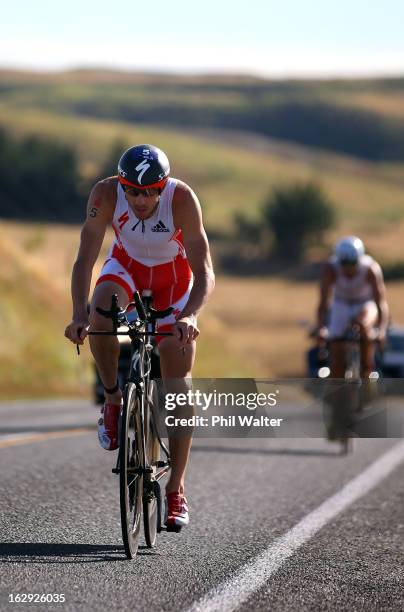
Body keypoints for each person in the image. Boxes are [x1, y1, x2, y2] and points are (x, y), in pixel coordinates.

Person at [65, 144, 215, 530]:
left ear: (163, 187)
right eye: (133, 190)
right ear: (122, 184)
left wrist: (191, 314)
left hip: (175, 283)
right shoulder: (104, 194)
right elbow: (85, 258)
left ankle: (176, 489)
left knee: (177, 384)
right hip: (127, 269)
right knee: (102, 311)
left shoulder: (181, 199)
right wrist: (78, 314)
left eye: (151, 191)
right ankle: (113, 400)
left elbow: (205, 270)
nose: (142, 199)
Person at [316, 236, 389, 378]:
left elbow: (380, 302)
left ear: (359, 259)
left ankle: (367, 369)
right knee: (336, 347)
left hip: (365, 303)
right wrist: (321, 328)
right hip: (340, 303)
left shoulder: (370, 269)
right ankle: (338, 385)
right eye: (343, 263)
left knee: (364, 326)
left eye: (352, 262)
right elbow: (323, 302)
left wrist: (381, 329)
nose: (347, 267)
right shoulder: (330, 268)